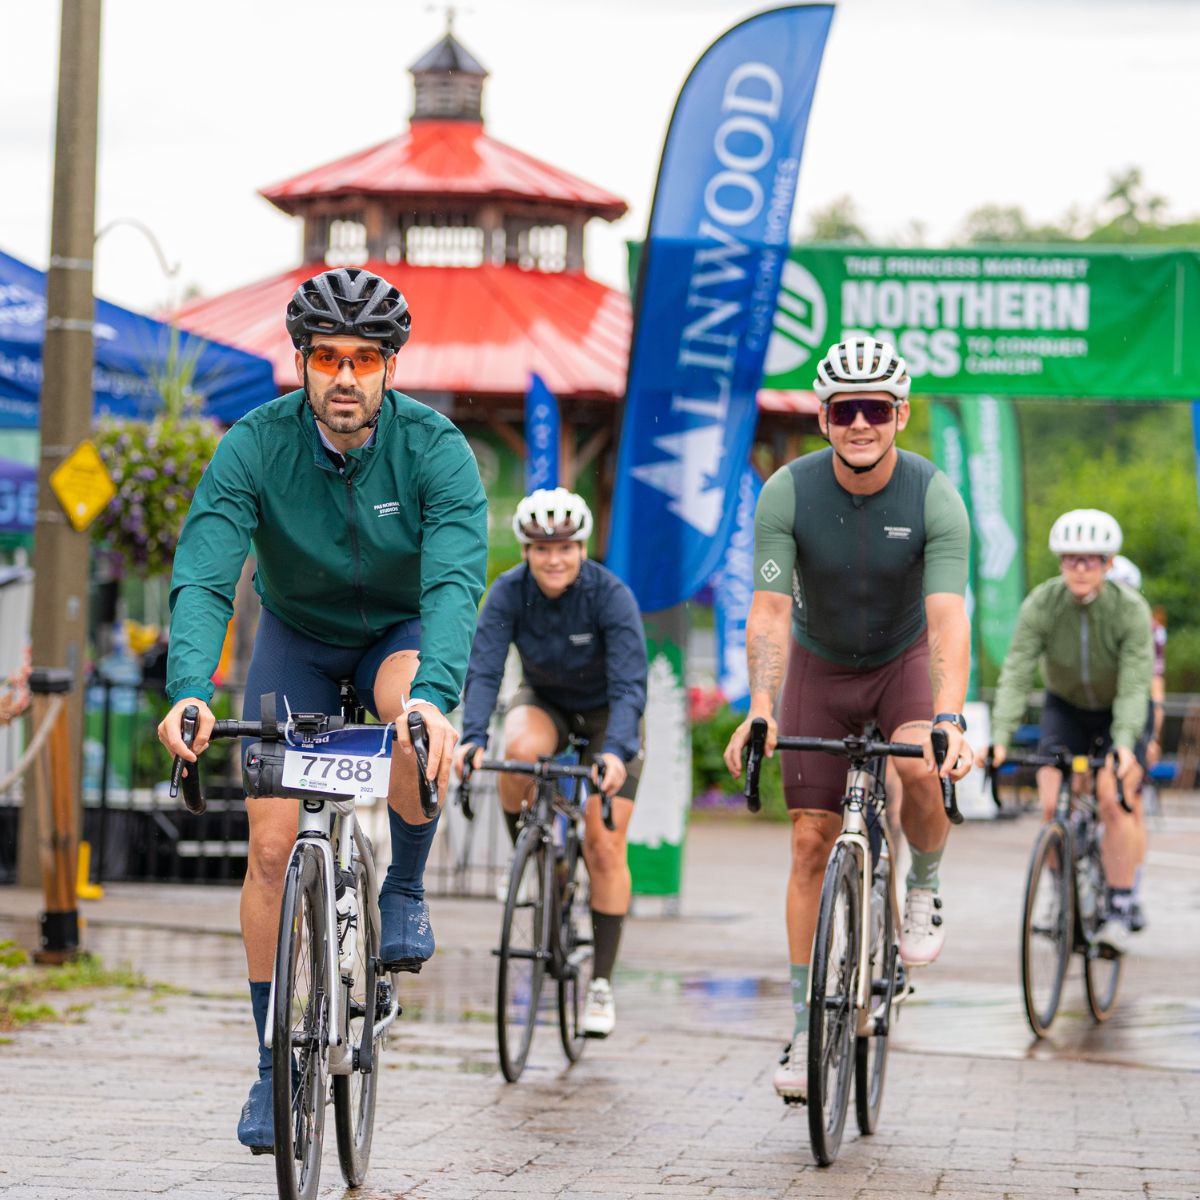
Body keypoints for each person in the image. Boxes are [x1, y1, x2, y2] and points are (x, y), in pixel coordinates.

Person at [156, 267, 488, 1152]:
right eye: (328, 358)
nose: (346, 377)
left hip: (399, 634)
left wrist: (438, 696)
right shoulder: (254, 446)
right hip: (296, 638)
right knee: (269, 848)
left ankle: (406, 886)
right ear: (302, 363)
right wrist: (189, 688)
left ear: (390, 367)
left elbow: (457, 580)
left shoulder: (436, 448)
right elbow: (204, 573)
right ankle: (272, 1063)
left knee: (410, 721)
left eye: (366, 359)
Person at [722, 337, 973, 1103]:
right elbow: (767, 612)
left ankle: (922, 882)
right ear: (824, 417)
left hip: (901, 664)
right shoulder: (786, 492)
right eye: (844, 410)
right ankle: (805, 1021)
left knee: (917, 763)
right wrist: (759, 710)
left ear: (899, 414)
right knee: (808, 840)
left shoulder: (935, 495)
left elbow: (947, 618)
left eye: (875, 409)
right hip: (820, 666)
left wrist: (950, 718)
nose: (859, 423)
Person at [454, 488, 648, 1038]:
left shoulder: (610, 596)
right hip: (547, 703)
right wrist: (472, 738)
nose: (554, 558)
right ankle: (534, 854)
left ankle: (602, 984)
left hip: (611, 713)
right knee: (518, 755)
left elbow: (632, 686)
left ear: (582, 548)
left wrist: (614, 753)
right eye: (542, 549)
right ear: (525, 551)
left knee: (605, 842)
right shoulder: (509, 593)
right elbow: (486, 670)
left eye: (565, 547)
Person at [980, 511, 1153, 957]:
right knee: (1051, 802)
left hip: (1121, 706)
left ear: (1108, 564)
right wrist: (1001, 735)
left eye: (1091, 561)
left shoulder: (1130, 609)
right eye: (1071, 560)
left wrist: (1124, 743)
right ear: (1060, 563)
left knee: (1113, 797)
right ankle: (1061, 887)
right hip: (1066, 707)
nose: (1080, 569)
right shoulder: (1042, 603)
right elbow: (1017, 670)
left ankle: (1119, 904)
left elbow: (1136, 682)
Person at [1105, 553, 1158, 931]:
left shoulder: (1145, 626)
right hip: (1092, 707)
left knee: (1129, 800)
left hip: (1134, 704)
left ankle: (1130, 889)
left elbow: (1153, 683)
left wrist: (1151, 734)